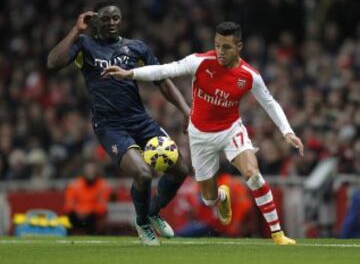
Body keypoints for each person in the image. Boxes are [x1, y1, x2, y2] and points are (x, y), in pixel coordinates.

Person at [101, 21, 305, 245]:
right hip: (199, 136)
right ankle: (221, 196)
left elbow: (270, 102)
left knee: (252, 174)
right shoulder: (200, 62)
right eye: (217, 45)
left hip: (230, 130)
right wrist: (129, 73)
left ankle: (278, 234)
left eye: (226, 47)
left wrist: (287, 132)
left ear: (239, 46)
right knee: (208, 200)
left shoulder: (249, 75)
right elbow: (165, 69)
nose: (220, 52)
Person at [47, 0, 190, 246]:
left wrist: (186, 110)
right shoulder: (85, 45)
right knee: (144, 175)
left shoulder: (136, 48)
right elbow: (53, 63)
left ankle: (154, 211)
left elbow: (163, 80)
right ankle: (143, 222)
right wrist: (76, 30)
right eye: (105, 18)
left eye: (115, 18)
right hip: (110, 126)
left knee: (180, 170)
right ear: (95, 21)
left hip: (140, 120)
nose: (112, 23)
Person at [64, 162, 111, 235]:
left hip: (92, 216)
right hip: (76, 215)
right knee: (68, 218)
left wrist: (87, 211)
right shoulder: (74, 185)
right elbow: (69, 205)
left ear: (96, 172)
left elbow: (102, 207)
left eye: (92, 171)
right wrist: (79, 211)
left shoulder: (102, 186)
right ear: (84, 172)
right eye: (88, 171)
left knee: (95, 218)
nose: (90, 174)